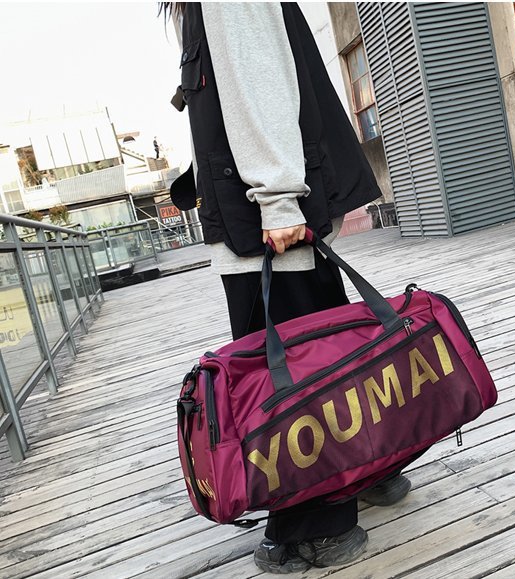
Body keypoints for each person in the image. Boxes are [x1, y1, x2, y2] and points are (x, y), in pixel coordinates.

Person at [161, 3, 411, 574]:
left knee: (291, 378)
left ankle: (320, 526)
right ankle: (373, 471)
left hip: (264, 223)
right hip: (262, 212)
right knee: (324, 355)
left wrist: (276, 199)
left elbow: (259, 77)